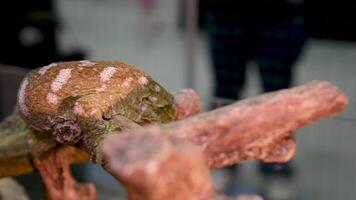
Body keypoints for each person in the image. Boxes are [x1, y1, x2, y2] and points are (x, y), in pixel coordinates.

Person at [201, 0, 305, 196]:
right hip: (227, 14)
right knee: (225, 91)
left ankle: (276, 165)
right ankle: (220, 160)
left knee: (278, 96)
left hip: (280, 14)